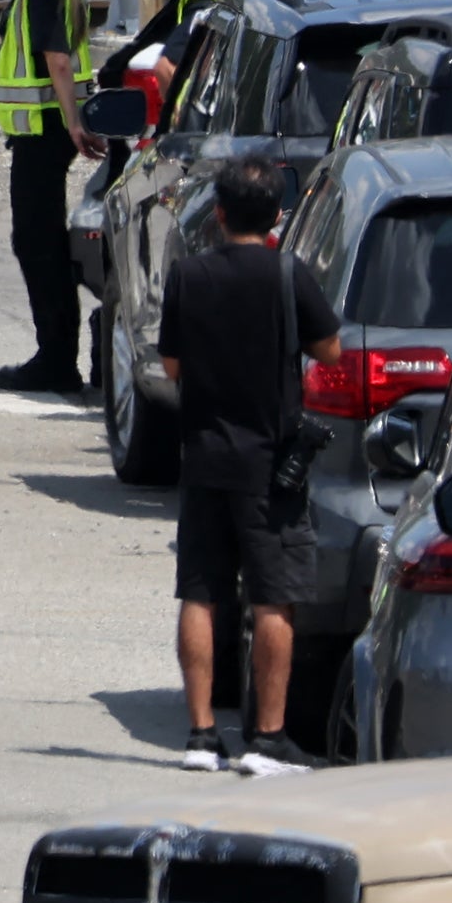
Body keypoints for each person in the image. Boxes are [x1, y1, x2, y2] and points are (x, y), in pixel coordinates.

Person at [151, 157, 338, 771]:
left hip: (204, 459)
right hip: (270, 467)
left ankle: (202, 735)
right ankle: (267, 737)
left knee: (200, 593)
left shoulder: (188, 275)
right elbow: (330, 349)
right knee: (273, 599)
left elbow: (171, 366)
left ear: (220, 213)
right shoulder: (288, 273)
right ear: (278, 215)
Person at [0, 0, 90, 396]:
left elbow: (57, 60)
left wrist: (73, 124)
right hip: (48, 133)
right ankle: (57, 354)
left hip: (43, 133)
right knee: (41, 240)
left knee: (37, 243)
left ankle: (56, 359)